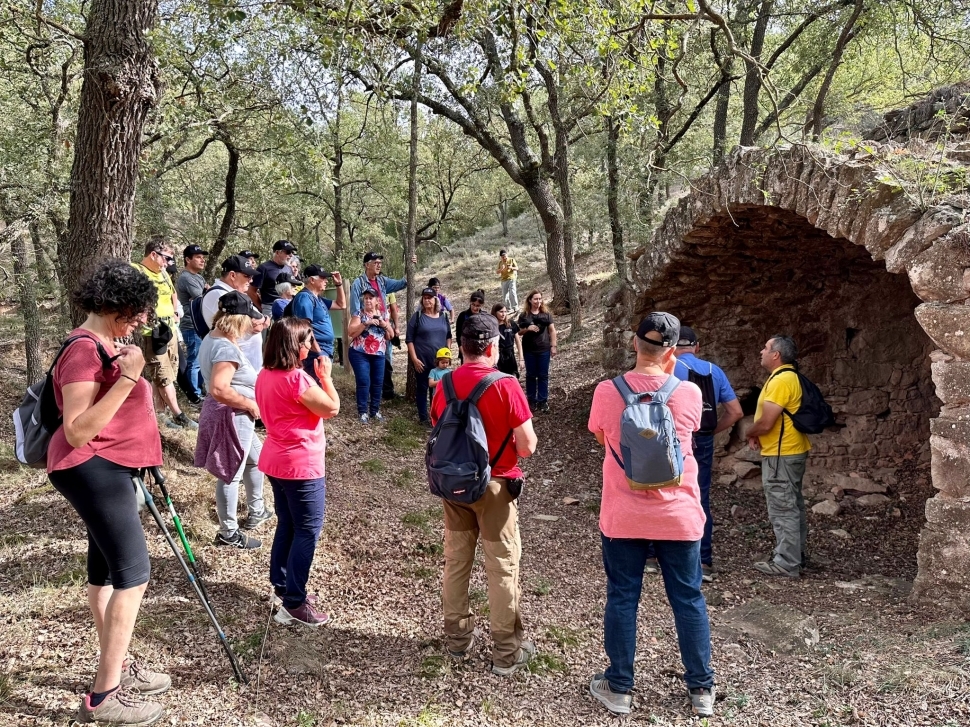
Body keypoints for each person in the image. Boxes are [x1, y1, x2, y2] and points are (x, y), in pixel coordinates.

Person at [47, 260, 170, 725]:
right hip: (90, 467)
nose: (141, 320)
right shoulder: (83, 349)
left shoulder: (107, 343)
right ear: (113, 304)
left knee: (102, 573)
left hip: (109, 466)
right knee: (133, 575)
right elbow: (77, 430)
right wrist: (128, 378)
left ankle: (115, 665)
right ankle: (104, 696)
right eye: (137, 311)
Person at [587, 312, 715, 718]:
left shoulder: (608, 392)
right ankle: (701, 689)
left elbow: (601, 437)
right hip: (679, 515)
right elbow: (688, 434)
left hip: (623, 515)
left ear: (633, 343)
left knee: (623, 596)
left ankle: (620, 687)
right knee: (688, 598)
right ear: (674, 351)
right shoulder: (689, 393)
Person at [430, 314, 538, 674]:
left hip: (453, 487)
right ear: (492, 347)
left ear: (461, 347)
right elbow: (527, 446)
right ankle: (506, 652)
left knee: (457, 563)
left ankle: (457, 640)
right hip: (496, 487)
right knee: (501, 567)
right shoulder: (506, 385)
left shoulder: (444, 385)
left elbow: (440, 432)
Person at [256, 318, 340, 627]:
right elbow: (331, 408)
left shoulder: (264, 375)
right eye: (306, 343)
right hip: (300, 466)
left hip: (276, 461)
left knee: (288, 524)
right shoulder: (297, 380)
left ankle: (283, 585)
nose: (309, 348)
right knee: (307, 530)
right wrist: (326, 377)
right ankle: (293, 602)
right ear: (294, 346)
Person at [644, 326, 743, 582]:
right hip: (703, 441)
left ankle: (654, 557)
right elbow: (735, 412)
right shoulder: (714, 371)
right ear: (697, 347)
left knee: (660, 490)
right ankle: (703, 561)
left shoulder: (667, 369)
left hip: (669, 438)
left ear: (672, 347)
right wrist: (711, 431)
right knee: (700, 496)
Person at [197, 292, 273, 549]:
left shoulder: (215, 336)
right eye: (248, 320)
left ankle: (257, 510)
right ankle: (229, 532)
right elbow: (220, 388)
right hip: (233, 415)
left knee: (256, 459)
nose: (251, 325)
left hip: (235, 414)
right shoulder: (225, 347)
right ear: (238, 319)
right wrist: (250, 404)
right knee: (231, 473)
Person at [746, 335, 812, 578]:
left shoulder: (782, 380)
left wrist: (749, 432)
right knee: (792, 504)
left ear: (776, 355)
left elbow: (766, 421)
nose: (760, 352)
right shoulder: (785, 377)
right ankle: (796, 556)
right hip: (789, 450)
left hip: (782, 454)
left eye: (765, 348)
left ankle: (786, 562)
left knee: (783, 507)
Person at [131, 237, 197, 430]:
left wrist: (175, 312)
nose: (168, 263)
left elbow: (172, 293)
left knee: (169, 370)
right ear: (153, 254)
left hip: (170, 329)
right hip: (153, 332)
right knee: (162, 374)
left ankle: (160, 413)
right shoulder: (138, 272)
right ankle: (179, 414)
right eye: (166, 258)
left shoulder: (163, 273)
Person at [348, 251, 413, 405]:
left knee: (385, 360)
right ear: (366, 264)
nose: (379, 265)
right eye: (375, 262)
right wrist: (362, 322)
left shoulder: (382, 281)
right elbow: (355, 309)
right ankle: (367, 397)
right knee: (366, 362)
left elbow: (401, 283)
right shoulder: (359, 283)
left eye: (380, 263)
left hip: (382, 327)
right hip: (366, 328)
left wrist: (410, 265)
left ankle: (385, 392)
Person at [199, 256, 270, 375]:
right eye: (247, 276)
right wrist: (263, 320)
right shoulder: (220, 295)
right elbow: (255, 325)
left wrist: (263, 319)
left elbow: (257, 320)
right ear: (232, 275)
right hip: (233, 367)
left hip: (246, 365)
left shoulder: (235, 294)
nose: (251, 280)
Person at [406, 287, 453, 424]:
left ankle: (437, 416)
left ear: (435, 299)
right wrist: (414, 359)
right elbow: (409, 339)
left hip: (440, 362)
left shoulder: (443, 316)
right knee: (422, 388)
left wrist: (448, 354)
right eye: (424, 298)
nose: (427, 300)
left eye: (429, 298)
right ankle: (423, 418)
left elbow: (449, 336)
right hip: (422, 360)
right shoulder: (418, 316)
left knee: (439, 389)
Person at [291, 264, 345, 383]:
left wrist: (339, 285)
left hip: (324, 350)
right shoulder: (305, 298)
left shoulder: (317, 298)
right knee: (316, 387)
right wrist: (318, 352)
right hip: (314, 353)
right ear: (311, 280)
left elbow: (342, 304)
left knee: (322, 385)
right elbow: (305, 329)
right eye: (322, 278)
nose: (326, 281)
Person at [347, 289, 393, 423]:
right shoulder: (359, 314)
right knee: (363, 381)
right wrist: (366, 323)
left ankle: (375, 411)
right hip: (359, 353)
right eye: (365, 298)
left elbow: (390, 335)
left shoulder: (384, 314)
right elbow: (351, 333)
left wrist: (385, 325)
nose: (367, 300)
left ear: (377, 300)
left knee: (378, 383)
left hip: (378, 354)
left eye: (370, 298)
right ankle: (362, 412)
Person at [175, 244, 209, 404]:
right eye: (198, 257)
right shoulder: (186, 278)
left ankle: (200, 390)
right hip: (190, 325)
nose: (202, 260)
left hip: (200, 324)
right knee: (194, 360)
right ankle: (193, 396)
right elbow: (201, 298)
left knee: (202, 359)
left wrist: (205, 292)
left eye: (203, 257)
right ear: (188, 259)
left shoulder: (198, 277)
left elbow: (204, 295)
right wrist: (204, 293)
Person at [516, 289, 557, 412]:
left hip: (543, 349)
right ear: (530, 300)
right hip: (529, 350)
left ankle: (543, 401)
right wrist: (527, 329)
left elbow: (552, 330)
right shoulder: (524, 316)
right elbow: (518, 332)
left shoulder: (546, 314)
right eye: (535, 299)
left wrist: (553, 346)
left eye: (540, 299)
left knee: (543, 375)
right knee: (531, 375)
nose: (538, 301)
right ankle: (531, 400)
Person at [251, 240, 298, 317]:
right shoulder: (263, 268)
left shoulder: (288, 269)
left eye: (292, 252)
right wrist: (262, 308)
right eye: (288, 252)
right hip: (270, 309)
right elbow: (251, 291)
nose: (291, 255)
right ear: (277, 252)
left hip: (288, 306)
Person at [491, 303, 522, 377]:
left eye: (505, 311)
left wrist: (521, 358)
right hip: (497, 356)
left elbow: (518, 342)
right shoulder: (491, 326)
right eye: (501, 312)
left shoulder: (511, 324)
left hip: (510, 355)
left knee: (512, 377)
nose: (503, 314)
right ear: (495, 312)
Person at [454, 290, 485, 365]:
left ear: (482, 305)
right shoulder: (463, 316)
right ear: (470, 302)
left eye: (477, 306)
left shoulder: (484, 317)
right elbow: (459, 336)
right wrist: (464, 354)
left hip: (480, 353)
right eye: (473, 304)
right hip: (466, 352)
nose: (475, 308)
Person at [383, 291, 401, 400]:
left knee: (387, 360)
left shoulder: (389, 291)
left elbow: (393, 309)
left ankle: (388, 391)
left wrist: (397, 327)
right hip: (371, 327)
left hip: (387, 328)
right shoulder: (366, 287)